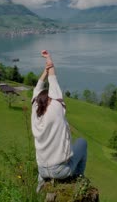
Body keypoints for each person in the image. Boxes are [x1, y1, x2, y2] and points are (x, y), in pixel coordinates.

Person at [31, 50, 87, 193]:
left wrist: (45, 70)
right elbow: (53, 80)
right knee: (82, 142)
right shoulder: (55, 109)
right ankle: (78, 178)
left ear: (37, 102)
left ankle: (40, 185)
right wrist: (49, 60)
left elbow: (38, 87)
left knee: (45, 162)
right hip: (61, 171)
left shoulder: (35, 113)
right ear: (50, 100)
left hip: (42, 169)